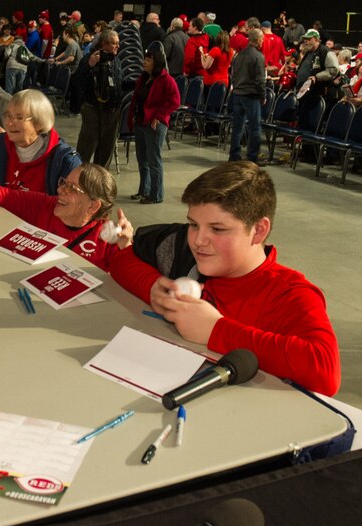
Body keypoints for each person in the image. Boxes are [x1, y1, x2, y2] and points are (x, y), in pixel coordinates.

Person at [110, 161, 341, 396]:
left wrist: (215, 330)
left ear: (259, 230)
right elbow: (121, 261)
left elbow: (325, 370)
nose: (199, 240)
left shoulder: (289, 292)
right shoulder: (188, 252)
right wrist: (152, 287)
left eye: (218, 229)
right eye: (193, 224)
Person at [0, 162, 133, 272]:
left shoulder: (108, 239)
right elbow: (0, 195)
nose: (61, 190)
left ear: (93, 205)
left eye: (72, 189)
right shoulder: (44, 206)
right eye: (64, 183)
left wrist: (127, 249)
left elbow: (127, 284)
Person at [0, 89, 81, 195]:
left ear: (39, 123)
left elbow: (74, 208)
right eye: (8, 116)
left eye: (19, 117)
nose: (10, 123)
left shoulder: (65, 162)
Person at [128, 42, 180, 204]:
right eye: (145, 59)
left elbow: (175, 101)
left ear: (156, 62)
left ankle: (156, 195)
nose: (144, 62)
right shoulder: (143, 78)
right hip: (141, 122)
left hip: (155, 125)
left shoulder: (166, 80)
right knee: (142, 159)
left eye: (148, 60)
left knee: (153, 160)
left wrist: (159, 116)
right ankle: (144, 190)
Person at [76, 30, 124, 169]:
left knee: (106, 152)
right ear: (104, 44)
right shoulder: (89, 59)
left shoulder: (116, 61)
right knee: (86, 149)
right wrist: (90, 65)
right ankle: (79, 180)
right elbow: (77, 81)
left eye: (118, 43)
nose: (117, 47)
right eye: (114, 43)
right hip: (93, 111)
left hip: (112, 112)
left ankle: (101, 184)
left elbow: (119, 83)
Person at [228, 29, 266, 164]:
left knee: (237, 127)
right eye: (262, 39)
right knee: (255, 128)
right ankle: (252, 158)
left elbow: (232, 75)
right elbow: (260, 79)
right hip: (250, 95)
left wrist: (236, 87)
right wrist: (263, 95)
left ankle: (234, 155)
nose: (263, 41)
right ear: (258, 40)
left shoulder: (238, 55)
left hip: (237, 94)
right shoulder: (258, 56)